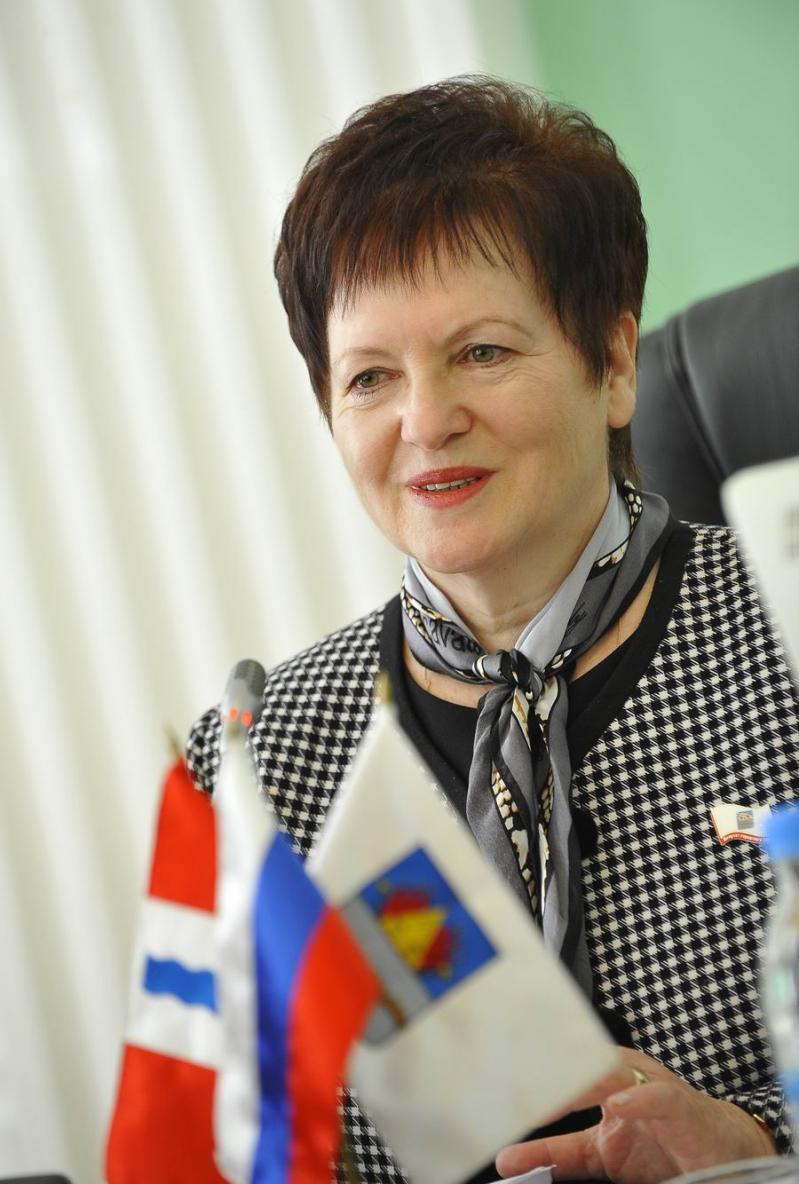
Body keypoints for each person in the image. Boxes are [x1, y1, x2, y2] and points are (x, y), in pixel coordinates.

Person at [187, 76, 799, 1183]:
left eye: (481, 353)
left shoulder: (783, 631)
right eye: (370, 377)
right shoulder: (256, 764)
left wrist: (760, 1145)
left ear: (614, 365)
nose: (425, 421)